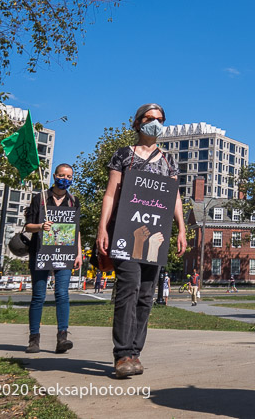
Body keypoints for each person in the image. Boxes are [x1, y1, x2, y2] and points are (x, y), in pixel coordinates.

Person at [96, 103, 187, 379]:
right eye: (150, 119)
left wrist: (181, 228)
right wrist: (102, 228)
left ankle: (136, 352)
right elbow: (111, 194)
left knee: (146, 294)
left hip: (156, 235)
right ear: (137, 123)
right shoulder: (124, 155)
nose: (155, 124)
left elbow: (175, 197)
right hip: (125, 231)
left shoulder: (168, 160)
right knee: (128, 289)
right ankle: (122, 353)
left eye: (160, 120)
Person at [24, 163, 83, 354]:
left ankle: (62, 338)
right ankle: (34, 339)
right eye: (61, 175)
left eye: (69, 176)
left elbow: (76, 230)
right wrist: (41, 226)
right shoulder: (40, 198)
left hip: (65, 253)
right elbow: (27, 226)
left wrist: (79, 252)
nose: (65, 179)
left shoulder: (73, 201)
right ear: (54, 176)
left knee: (62, 294)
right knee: (39, 296)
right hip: (40, 252)